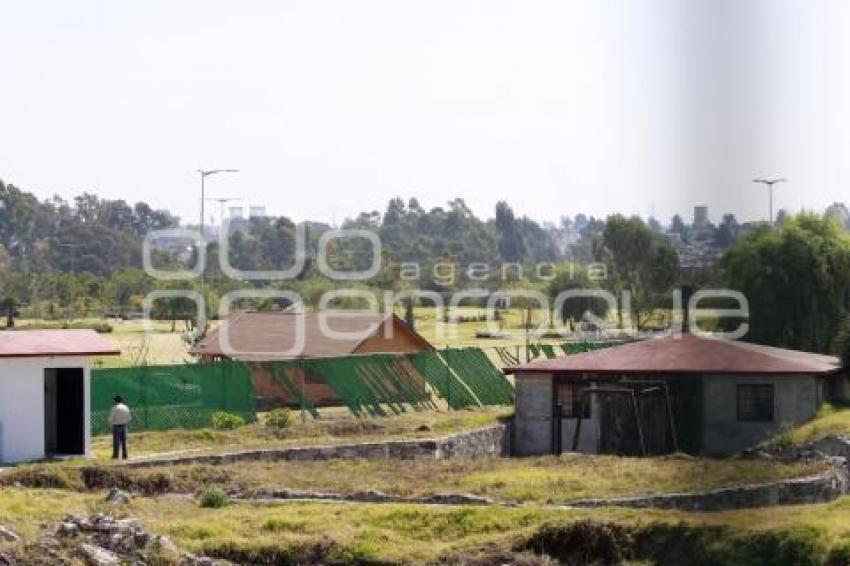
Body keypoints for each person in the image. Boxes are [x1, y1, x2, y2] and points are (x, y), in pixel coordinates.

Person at [108, 395, 131, 459]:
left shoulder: (114, 408)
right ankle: (125, 455)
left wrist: (110, 424)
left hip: (116, 426)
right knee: (124, 441)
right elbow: (129, 418)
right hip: (124, 425)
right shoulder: (126, 407)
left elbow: (111, 418)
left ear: (115, 401)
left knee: (116, 441)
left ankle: (116, 456)